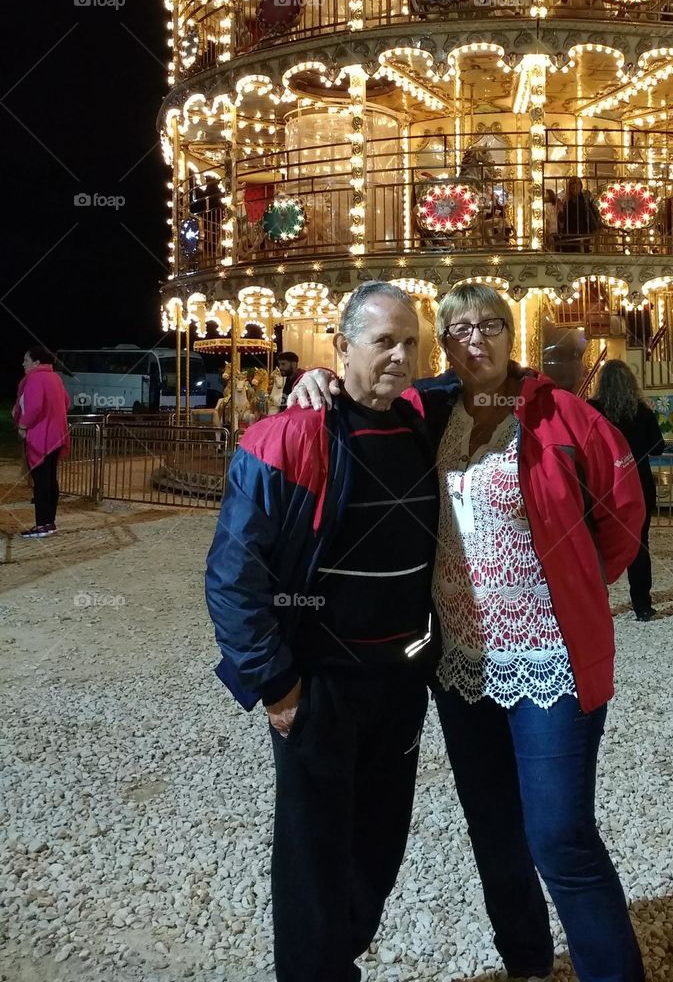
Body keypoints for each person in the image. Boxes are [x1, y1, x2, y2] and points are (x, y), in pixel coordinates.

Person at [293, 282, 647, 982]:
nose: (475, 339)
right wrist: (315, 377)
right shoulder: (431, 410)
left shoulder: (563, 415)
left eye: (490, 325)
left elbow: (623, 516)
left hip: (547, 657)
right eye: (459, 329)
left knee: (560, 837)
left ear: (513, 336)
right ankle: (527, 963)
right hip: (462, 664)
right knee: (494, 834)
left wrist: (574, 585)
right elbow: (364, 390)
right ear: (445, 343)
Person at [205, 283, 438, 982]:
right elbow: (233, 574)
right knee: (313, 858)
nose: (399, 356)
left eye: (410, 343)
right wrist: (276, 684)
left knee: (378, 846)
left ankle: (339, 959)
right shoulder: (286, 439)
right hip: (321, 685)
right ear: (342, 347)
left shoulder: (420, 422)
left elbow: (483, 378)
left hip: (400, 680)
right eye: (383, 341)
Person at [589, 359, 664, 621]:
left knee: (595, 544)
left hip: (603, 486)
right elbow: (658, 447)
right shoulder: (642, 412)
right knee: (640, 543)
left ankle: (598, 603)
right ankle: (642, 604)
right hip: (638, 484)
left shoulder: (592, 410)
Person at [17, 346, 70, 538]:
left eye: (26, 360)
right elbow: (67, 402)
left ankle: (42, 525)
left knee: (41, 482)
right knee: (50, 479)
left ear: (37, 362)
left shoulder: (35, 379)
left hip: (41, 437)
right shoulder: (55, 378)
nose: (23, 363)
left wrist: (23, 425)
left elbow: (34, 407)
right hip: (57, 435)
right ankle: (49, 522)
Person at [556, 176, 600, 253]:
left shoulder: (585, 199)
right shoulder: (567, 201)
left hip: (583, 230)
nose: (574, 190)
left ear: (580, 187)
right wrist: (561, 211)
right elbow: (562, 219)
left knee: (583, 251)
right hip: (570, 231)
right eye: (572, 188)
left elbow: (592, 212)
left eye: (576, 187)